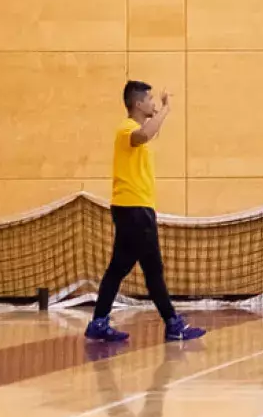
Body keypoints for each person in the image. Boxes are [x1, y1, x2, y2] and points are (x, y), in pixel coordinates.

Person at [85, 81, 205, 344]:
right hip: (133, 209)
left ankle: (98, 323)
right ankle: (173, 324)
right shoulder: (127, 129)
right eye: (149, 99)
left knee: (118, 268)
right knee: (153, 269)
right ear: (138, 104)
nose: (153, 103)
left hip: (135, 209)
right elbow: (144, 135)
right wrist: (166, 109)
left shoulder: (136, 131)